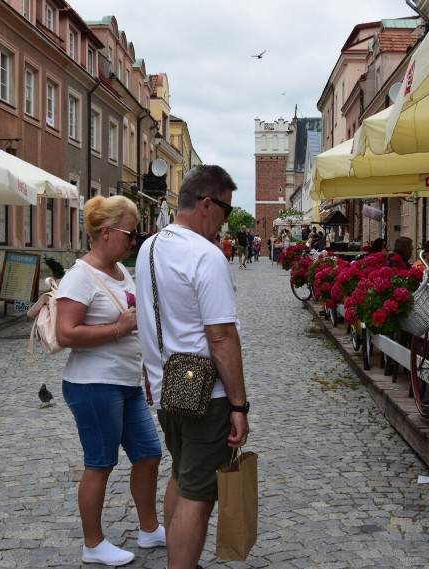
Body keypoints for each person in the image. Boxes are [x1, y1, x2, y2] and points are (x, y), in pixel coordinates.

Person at [135, 165, 249, 569]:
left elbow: (151, 319)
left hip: (169, 387)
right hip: (207, 395)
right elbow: (221, 337)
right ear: (206, 204)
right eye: (226, 211)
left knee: (181, 476)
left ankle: (181, 560)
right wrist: (239, 406)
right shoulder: (206, 255)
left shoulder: (149, 247)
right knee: (199, 494)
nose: (226, 220)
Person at [56, 195, 165, 566]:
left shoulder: (120, 271)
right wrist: (119, 328)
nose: (133, 241)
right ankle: (93, 543)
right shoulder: (80, 277)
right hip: (93, 384)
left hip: (125, 382)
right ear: (106, 234)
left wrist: (148, 368)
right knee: (100, 463)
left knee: (149, 455)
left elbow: (137, 323)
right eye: (129, 234)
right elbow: (66, 332)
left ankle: (149, 529)